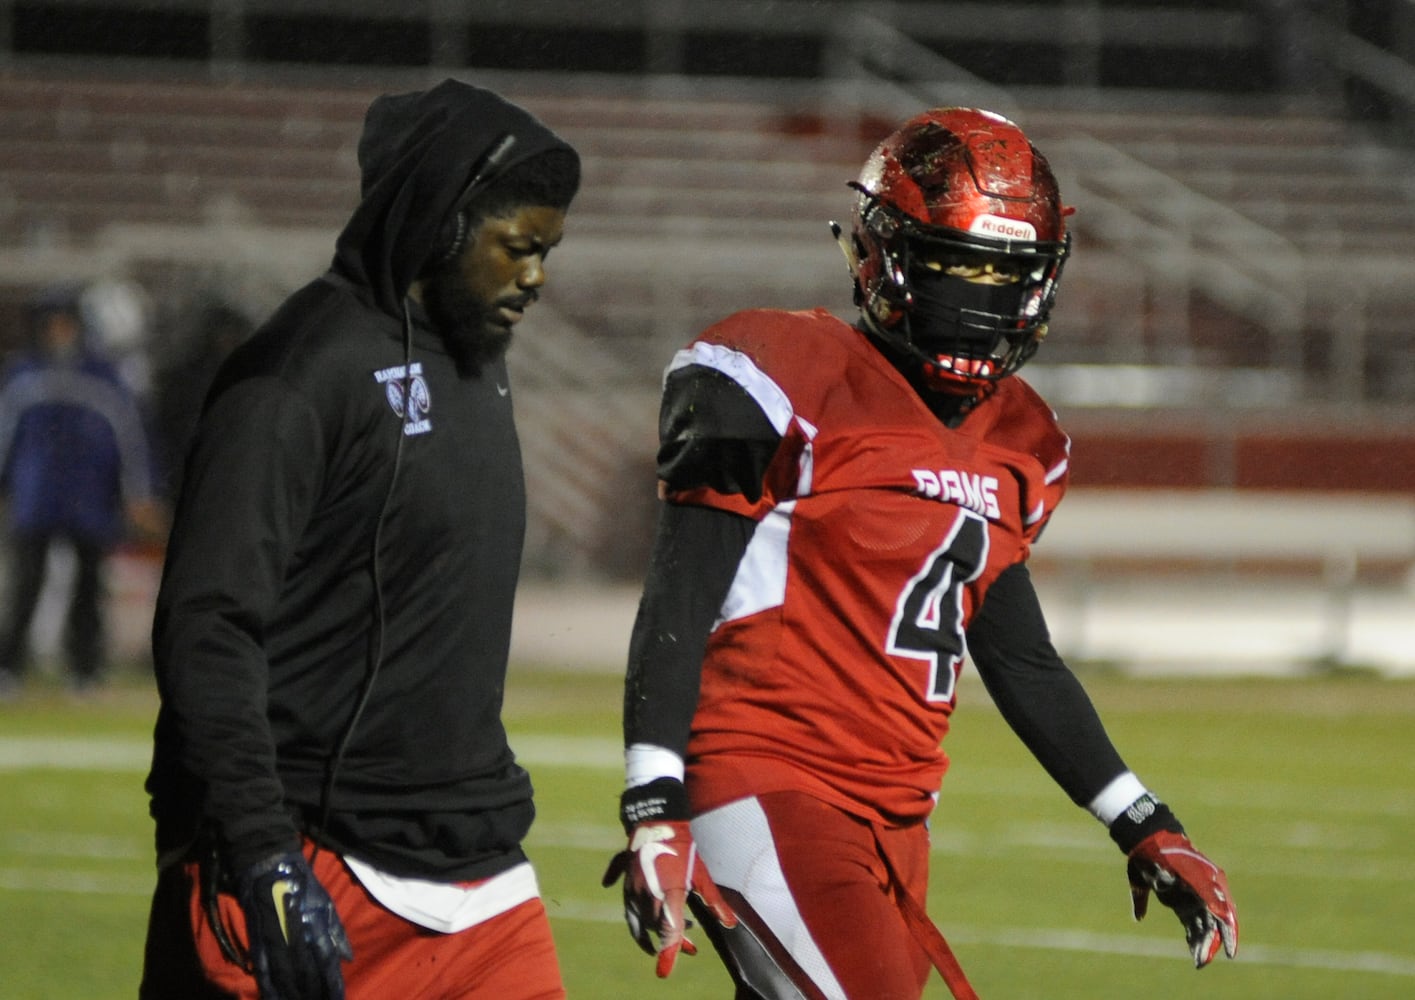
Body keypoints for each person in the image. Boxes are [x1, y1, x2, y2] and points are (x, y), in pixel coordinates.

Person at [602, 108, 1238, 1000]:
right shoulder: (783, 373)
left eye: (1005, 278)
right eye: (956, 273)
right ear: (882, 255)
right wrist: (652, 800)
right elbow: (677, 597)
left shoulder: (1023, 441)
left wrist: (1141, 820)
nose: (980, 305)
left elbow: (1019, 656)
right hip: (767, 781)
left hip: (897, 825)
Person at [140, 79, 579, 1000]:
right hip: (313, 858)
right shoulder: (294, 377)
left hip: (479, 867)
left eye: (546, 252)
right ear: (442, 223)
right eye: (519, 248)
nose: (535, 278)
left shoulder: (473, 360)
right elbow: (206, 624)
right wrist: (260, 853)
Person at [0, 285, 159, 696]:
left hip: (89, 497)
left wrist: (138, 492)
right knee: (25, 584)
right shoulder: (24, 374)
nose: (59, 330)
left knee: (89, 587)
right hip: (36, 496)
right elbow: (4, 436)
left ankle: (84, 667)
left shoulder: (103, 377)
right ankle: (10, 665)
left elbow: (131, 440)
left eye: (65, 322)